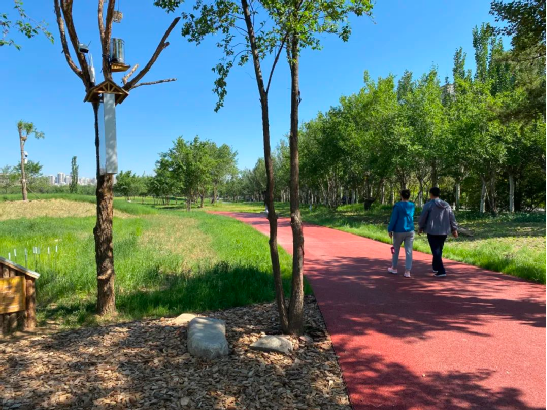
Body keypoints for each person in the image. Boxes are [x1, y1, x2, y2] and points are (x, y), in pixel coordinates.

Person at [418, 187, 459, 278]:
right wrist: (454, 229)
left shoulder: (428, 205)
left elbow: (423, 217)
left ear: (431, 194)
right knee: (438, 250)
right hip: (444, 231)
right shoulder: (446, 205)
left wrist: (420, 227)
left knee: (435, 251)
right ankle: (435, 267)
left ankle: (441, 271)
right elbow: (452, 217)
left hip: (432, 231)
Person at [387, 189, 416, 278]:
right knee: (409, 251)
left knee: (395, 250)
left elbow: (394, 218)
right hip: (410, 230)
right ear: (409, 196)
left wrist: (390, 229)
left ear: (401, 196)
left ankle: (394, 268)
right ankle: (407, 271)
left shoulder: (397, 206)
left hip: (399, 230)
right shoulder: (412, 206)